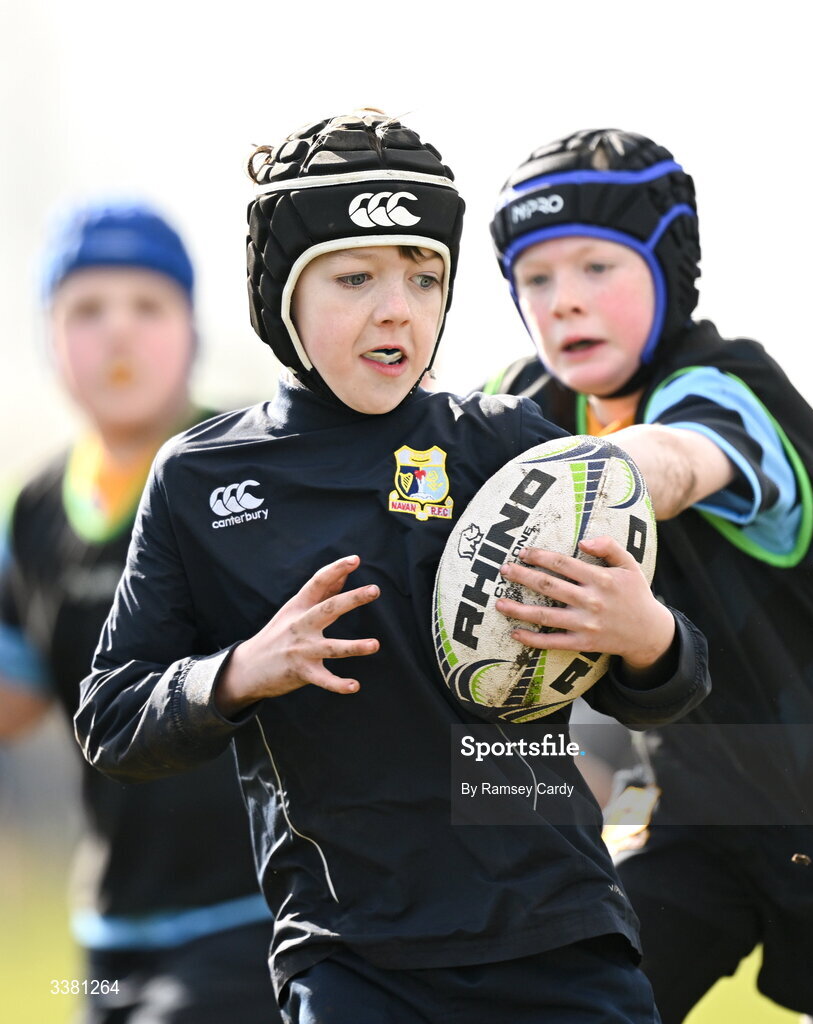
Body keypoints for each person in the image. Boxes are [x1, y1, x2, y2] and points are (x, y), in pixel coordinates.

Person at [72, 111, 711, 1024]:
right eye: (354, 276)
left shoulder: (510, 451)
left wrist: (645, 636)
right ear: (280, 295)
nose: (396, 309)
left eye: (425, 276)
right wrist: (239, 672)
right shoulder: (201, 480)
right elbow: (113, 717)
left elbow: (671, 683)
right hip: (351, 965)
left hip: (561, 942)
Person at [485, 128, 813, 1024]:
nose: (564, 302)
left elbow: (675, 461)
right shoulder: (526, 412)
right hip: (702, 805)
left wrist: (590, 478)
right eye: (537, 279)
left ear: (669, 267)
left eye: (598, 266)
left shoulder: (722, 387)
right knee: (577, 1005)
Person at [0, 200, 279, 1023]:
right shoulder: (34, 512)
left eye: (148, 306)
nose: (117, 334)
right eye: (86, 310)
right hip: (109, 941)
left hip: (261, 914)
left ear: (190, 331)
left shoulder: (255, 464)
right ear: (50, 338)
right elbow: (18, 700)